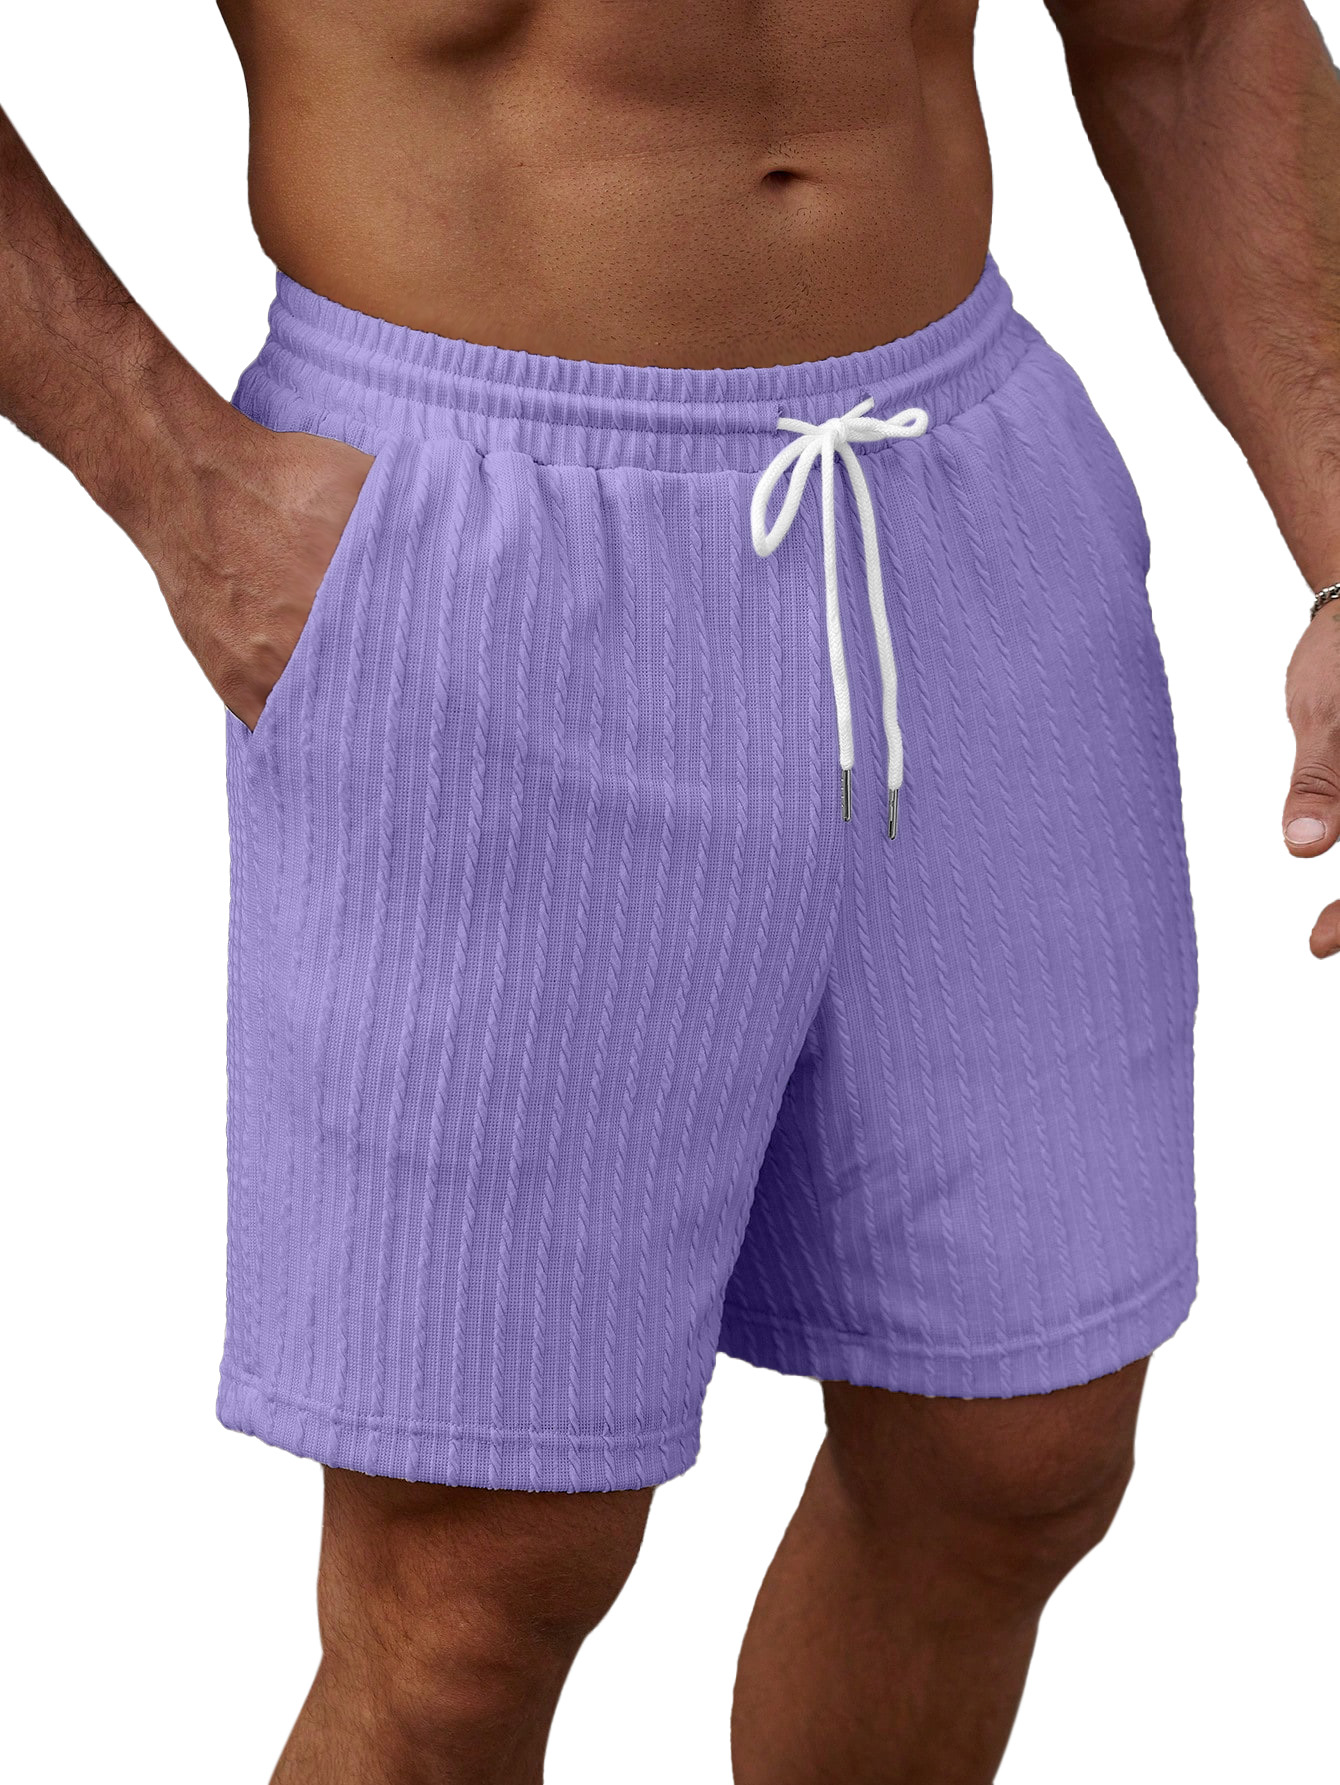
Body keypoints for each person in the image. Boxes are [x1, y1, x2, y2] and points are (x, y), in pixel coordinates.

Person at [2, 1, 1338, 1779]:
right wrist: (182, 487)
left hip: (964, 508)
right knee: (472, 1589)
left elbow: (1186, 30)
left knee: (1014, 1448)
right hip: (471, 554)